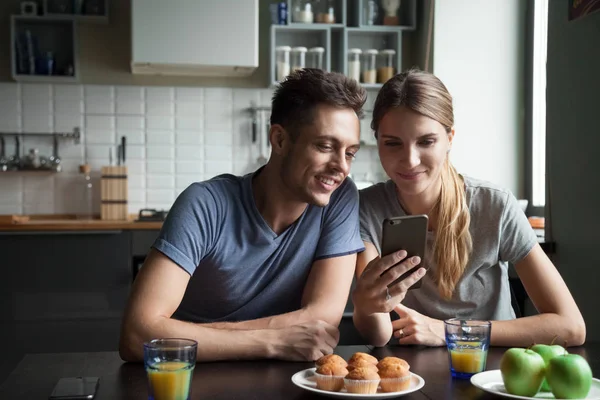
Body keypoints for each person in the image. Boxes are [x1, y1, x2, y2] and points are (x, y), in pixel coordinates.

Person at [119, 68, 367, 362]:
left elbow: (322, 320)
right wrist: (272, 341)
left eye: (350, 152)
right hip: (188, 379)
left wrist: (191, 334)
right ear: (279, 140)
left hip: (276, 381)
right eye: (325, 146)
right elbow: (137, 335)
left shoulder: (339, 198)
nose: (342, 167)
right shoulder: (205, 204)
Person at [352, 68, 586, 348]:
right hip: (414, 373)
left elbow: (571, 327)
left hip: (495, 369)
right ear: (377, 142)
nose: (410, 160)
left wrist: (450, 331)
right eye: (392, 144)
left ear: (450, 138)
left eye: (426, 141)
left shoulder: (494, 205)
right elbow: (379, 335)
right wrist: (366, 306)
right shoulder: (366, 208)